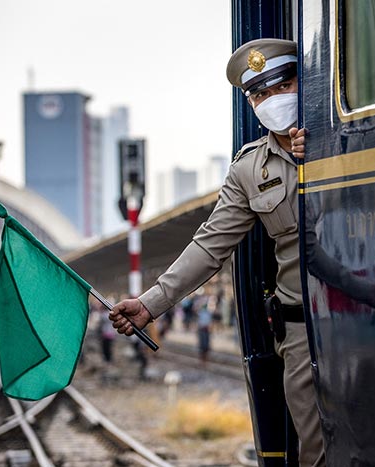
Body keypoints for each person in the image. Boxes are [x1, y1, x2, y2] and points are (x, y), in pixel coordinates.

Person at [110, 38, 325, 467]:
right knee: (317, 452)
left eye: (282, 86)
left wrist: (319, 159)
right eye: (259, 94)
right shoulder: (249, 169)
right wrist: (150, 305)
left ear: (306, 83)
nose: (271, 100)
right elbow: (209, 245)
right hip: (302, 331)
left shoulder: (338, 142)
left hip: (367, 319)